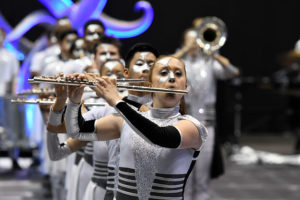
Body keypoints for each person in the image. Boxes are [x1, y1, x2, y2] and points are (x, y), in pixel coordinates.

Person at [64, 55, 207, 200]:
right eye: (163, 73)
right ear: (150, 85)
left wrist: (116, 100)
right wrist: (74, 100)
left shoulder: (192, 126)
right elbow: (76, 131)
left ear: (185, 87)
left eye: (178, 73)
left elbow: (160, 136)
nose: (171, 78)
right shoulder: (123, 121)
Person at [174, 21, 240, 200]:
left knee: (202, 175)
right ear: (183, 42)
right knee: (184, 175)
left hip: (206, 123)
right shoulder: (179, 62)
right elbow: (164, 67)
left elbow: (232, 72)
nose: (195, 43)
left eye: (197, 39)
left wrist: (214, 53)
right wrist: (184, 50)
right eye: (190, 40)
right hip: (184, 123)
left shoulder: (209, 62)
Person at [0, 27, 21, 170]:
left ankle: (14, 157)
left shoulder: (11, 55)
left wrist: (14, 93)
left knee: (10, 127)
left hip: (6, 95)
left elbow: (15, 76)